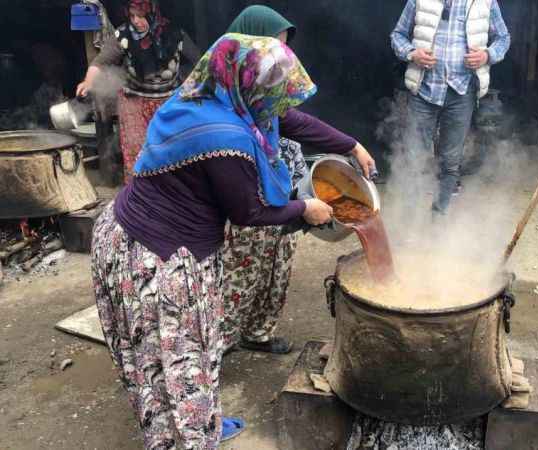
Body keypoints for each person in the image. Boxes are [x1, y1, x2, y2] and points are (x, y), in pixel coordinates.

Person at [91, 34, 331, 448]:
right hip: (161, 263)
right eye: (273, 97)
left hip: (120, 234)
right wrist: (304, 209)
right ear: (252, 88)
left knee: (152, 360)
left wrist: (348, 144)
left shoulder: (199, 97)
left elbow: (286, 122)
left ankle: (190, 427)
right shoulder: (228, 137)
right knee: (182, 359)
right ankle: (190, 437)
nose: (276, 109)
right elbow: (249, 212)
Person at [219, 5, 377, 355]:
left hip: (276, 193)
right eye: (272, 48)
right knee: (240, 271)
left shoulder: (263, 95)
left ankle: (258, 332)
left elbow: (299, 123)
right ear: (247, 48)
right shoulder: (224, 104)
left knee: (277, 261)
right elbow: (244, 206)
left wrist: (353, 145)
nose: (281, 60)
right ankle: (219, 340)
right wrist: (303, 207)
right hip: (243, 204)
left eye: (284, 49)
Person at [390, 0, 510, 215]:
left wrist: (487, 56)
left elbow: (503, 38)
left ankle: (439, 215)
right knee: (413, 157)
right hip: (424, 90)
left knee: (451, 161)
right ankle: (409, 219)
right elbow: (397, 35)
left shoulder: (486, 2)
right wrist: (412, 53)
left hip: (462, 93)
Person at [76, 0, 201, 182]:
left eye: (141, 16)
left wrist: (189, 84)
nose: (136, 21)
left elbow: (198, 59)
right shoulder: (123, 35)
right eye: (132, 15)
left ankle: (170, 195)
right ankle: (137, 195)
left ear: (153, 13)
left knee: (171, 151)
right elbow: (100, 62)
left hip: (168, 103)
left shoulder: (175, 34)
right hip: (134, 103)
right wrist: (88, 81)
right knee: (137, 153)